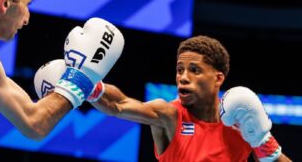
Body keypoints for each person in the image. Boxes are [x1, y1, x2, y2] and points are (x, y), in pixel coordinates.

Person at [0, 0, 124, 161]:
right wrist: (81, 76)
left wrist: (90, 86)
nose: (27, 18)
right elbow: (35, 124)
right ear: (6, 2)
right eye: (27, 4)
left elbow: (32, 110)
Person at [88, 35, 291, 161]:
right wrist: (88, 84)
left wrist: (263, 140)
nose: (183, 78)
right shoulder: (169, 114)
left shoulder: (240, 121)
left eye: (194, 70)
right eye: (179, 70)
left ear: (218, 78)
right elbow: (118, 105)